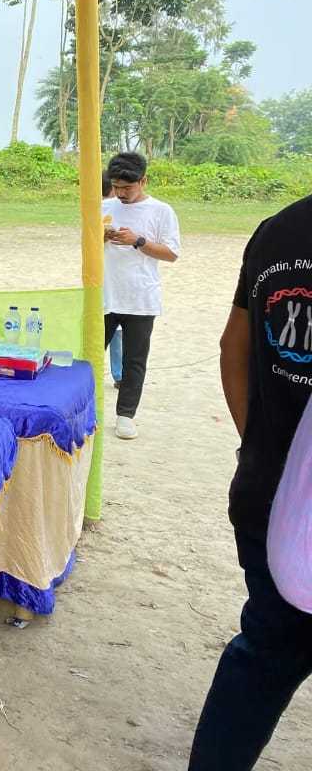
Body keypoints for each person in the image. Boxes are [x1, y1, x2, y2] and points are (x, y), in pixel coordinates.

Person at [188, 195, 312, 770]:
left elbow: (231, 348)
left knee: (264, 654)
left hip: (268, 493)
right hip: (276, 493)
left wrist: (258, 445)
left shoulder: (281, 228)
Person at [102, 151, 180, 441]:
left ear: (143, 181)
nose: (121, 193)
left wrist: (138, 240)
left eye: (127, 187)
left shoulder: (161, 211)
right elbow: (86, 244)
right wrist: (100, 237)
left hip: (141, 298)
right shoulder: (103, 206)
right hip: (105, 296)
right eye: (116, 187)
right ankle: (86, 411)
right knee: (90, 357)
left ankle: (125, 416)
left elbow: (171, 253)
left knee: (134, 361)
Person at [103, 169, 123, 386]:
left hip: (114, 284)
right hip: (106, 283)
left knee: (117, 331)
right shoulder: (102, 210)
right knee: (114, 332)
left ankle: (119, 374)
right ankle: (119, 375)